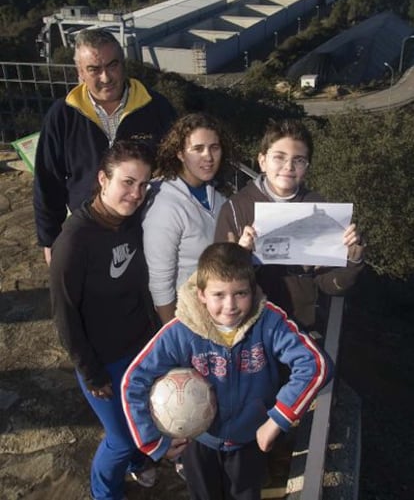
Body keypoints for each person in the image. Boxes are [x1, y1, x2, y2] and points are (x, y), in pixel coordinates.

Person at [121, 242, 334, 500]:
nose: (230, 305)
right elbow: (133, 381)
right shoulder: (181, 331)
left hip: (250, 438)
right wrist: (153, 442)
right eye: (218, 295)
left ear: (253, 291)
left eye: (240, 293)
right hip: (199, 440)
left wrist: (277, 420)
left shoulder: (268, 322)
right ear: (201, 294)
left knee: (245, 495)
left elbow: (316, 364)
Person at [49, 140, 158, 500]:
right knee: (122, 439)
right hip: (103, 361)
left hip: (140, 348)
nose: (136, 193)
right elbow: (64, 314)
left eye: (143, 185)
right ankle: (104, 493)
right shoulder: (74, 241)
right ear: (102, 178)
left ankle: (136, 463)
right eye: (127, 182)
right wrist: (91, 371)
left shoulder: (131, 223)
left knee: (142, 424)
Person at [34, 27, 176, 265]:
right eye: (94, 69)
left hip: (147, 231)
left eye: (112, 65)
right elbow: (47, 180)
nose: (106, 77)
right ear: (80, 72)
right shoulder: (63, 115)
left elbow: (176, 169)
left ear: (123, 64)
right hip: (86, 233)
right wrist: (50, 239)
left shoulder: (157, 107)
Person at [214, 119, 365, 334]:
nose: (288, 167)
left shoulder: (320, 207)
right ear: (262, 161)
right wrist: (240, 255)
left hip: (300, 327)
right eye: (279, 157)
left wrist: (353, 259)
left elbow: (330, 284)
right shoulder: (235, 210)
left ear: (307, 167)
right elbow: (218, 281)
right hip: (249, 327)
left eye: (299, 160)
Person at [142, 112, 233, 325]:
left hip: (219, 313)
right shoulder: (163, 205)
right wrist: (173, 335)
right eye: (197, 149)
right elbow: (160, 284)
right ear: (180, 153)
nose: (208, 157)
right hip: (185, 320)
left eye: (214, 148)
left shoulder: (218, 196)